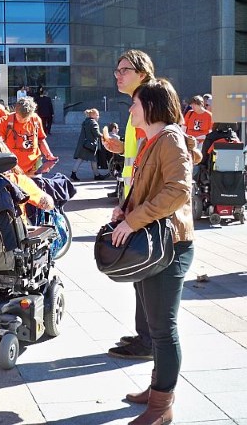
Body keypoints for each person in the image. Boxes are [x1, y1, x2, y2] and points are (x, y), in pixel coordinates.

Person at [109, 79, 196, 425]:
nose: (130, 110)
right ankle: (157, 389)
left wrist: (134, 222)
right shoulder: (154, 140)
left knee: (163, 329)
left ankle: (162, 407)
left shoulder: (170, 139)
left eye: (136, 104)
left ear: (152, 107)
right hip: (155, 243)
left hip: (170, 246)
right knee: (157, 326)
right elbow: (147, 188)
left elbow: (178, 190)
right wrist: (125, 209)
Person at [102, 49, 156, 361]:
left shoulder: (148, 104)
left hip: (144, 198)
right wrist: (121, 148)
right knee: (140, 270)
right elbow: (140, 153)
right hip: (134, 193)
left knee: (144, 268)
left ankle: (148, 340)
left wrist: (133, 205)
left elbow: (156, 153)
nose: (117, 74)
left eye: (124, 69)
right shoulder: (137, 105)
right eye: (117, 69)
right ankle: (144, 334)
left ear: (142, 73)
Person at [0, 97, 57, 175]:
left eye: (25, 118)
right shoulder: (6, 121)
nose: (22, 120)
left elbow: (41, 139)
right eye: (20, 117)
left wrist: (49, 155)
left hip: (34, 167)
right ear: (15, 111)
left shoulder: (35, 120)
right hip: (13, 168)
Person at [70, 109, 107, 181]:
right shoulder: (93, 123)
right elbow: (97, 134)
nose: (98, 116)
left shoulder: (85, 122)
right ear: (93, 115)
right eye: (97, 115)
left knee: (81, 159)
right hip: (90, 145)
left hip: (84, 144)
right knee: (93, 160)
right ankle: (97, 175)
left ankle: (73, 173)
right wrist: (105, 136)